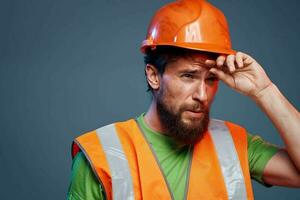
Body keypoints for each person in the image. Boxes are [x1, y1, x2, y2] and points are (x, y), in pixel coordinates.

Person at [67, 0, 300, 199]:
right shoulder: (101, 155)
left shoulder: (235, 145)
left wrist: (265, 91)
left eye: (210, 79)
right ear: (153, 75)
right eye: (188, 76)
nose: (202, 94)